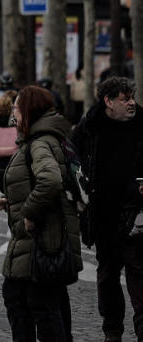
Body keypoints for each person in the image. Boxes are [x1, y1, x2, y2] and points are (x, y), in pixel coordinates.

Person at [0, 85, 81, 342]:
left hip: (39, 239)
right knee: (40, 303)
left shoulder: (39, 143)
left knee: (32, 304)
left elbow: (50, 181)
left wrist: (28, 212)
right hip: (41, 238)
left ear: (28, 110)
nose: (13, 110)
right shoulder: (40, 139)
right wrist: (6, 202)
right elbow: (36, 183)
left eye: (16, 106)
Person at [72, 75, 143, 342]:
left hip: (137, 214)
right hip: (103, 215)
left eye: (132, 98)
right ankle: (112, 331)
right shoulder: (90, 126)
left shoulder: (142, 123)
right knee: (107, 276)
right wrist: (80, 192)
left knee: (139, 272)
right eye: (125, 100)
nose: (132, 103)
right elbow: (71, 157)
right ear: (108, 102)